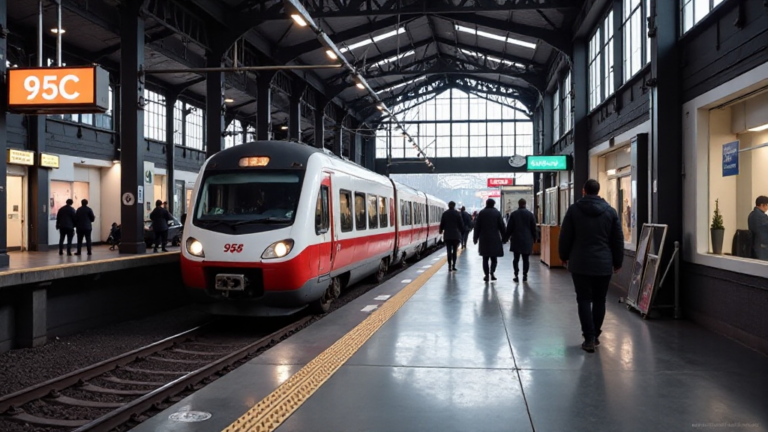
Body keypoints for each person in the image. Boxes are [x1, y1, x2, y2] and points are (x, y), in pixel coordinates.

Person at [559, 179, 624, 353]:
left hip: (580, 262)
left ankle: (588, 338)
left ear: (583, 191)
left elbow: (565, 235)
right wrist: (618, 261)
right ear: (598, 191)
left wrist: (563, 256)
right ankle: (595, 335)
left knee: (583, 299)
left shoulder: (574, 210)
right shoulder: (610, 212)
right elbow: (617, 239)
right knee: (599, 299)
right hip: (603, 262)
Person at [473, 199, 506, 282]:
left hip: (484, 238)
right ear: (494, 204)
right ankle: (492, 272)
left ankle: (486, 275)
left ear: (486, 204)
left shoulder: (481, 213)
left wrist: (475, 238)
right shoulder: (497, 213)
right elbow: (502, 226)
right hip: (495, 238)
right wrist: (504, 238)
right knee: (494, 258)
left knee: (485, 258)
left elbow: (477, 227)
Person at [505, 198, 537, 283]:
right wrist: (535, 238)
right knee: (526, 259)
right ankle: (525, 275)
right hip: (527, 239)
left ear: (519, 204)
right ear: (525, 204)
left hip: (516, 239)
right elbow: (533, 228)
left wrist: (506, 238)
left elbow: (509, 228)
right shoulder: (530, 214)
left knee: (516, 259)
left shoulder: (514, 214)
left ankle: (516, 275)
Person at [440, 201, 464, 272]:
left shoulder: (445, 214)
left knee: (449, 251)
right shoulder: (457, 214)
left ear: (448, 205)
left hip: (447, 235)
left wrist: (441, 230)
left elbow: (442, 223)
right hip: (456, 235)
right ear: (454, 205)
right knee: (455, 251)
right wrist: (462, 231)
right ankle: (454, 266)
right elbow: (461, 224)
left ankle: (449, 266)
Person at [748, 195, 768, 261]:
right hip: (762, 248)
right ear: (762, 205)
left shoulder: (751, 215)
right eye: (767, 205)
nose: (767, 208)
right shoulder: (762, 217)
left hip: (753, 246)